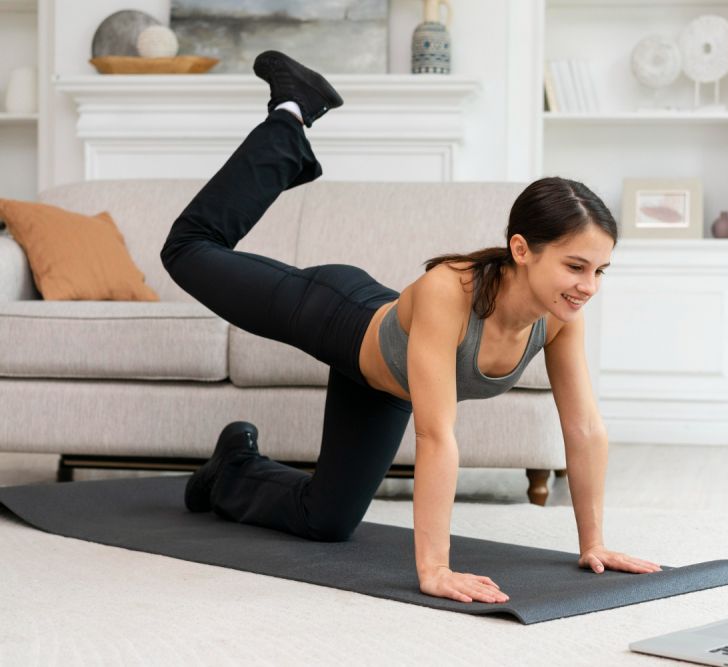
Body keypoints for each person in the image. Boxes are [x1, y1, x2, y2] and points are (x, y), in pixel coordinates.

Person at [160, 50, 662, 606]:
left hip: (385, 381)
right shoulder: (453, 289)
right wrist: (435, 569)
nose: (588, 286)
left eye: (599, 271)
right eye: (575, 266)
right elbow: (436, 435)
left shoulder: (562, 319)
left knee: (325, 521)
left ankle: (232, 466)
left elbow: (585, 429)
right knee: (187, 250)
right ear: (522, 249)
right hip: (338, 315)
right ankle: (292, 113)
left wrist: (594, 543)